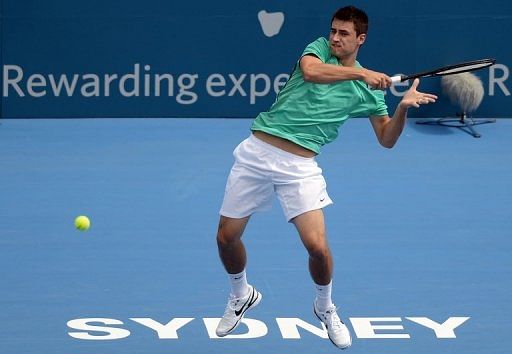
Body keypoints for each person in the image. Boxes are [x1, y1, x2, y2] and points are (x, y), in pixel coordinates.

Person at [214, 5, 437, 349]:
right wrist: (360, 75)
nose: (335, 37)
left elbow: (387, 139)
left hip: (300, 168)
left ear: (360, 39)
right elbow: (313, 73)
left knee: (317, 248)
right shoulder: (318, 51)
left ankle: (325, 306)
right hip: (256, 153)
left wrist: (402, 108)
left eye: (343, 33)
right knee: (226, 238)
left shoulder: (370, 91)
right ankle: (241, 294)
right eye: (334, 30)